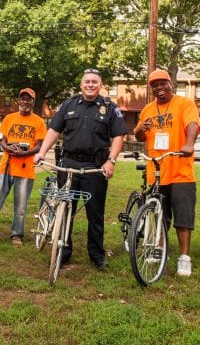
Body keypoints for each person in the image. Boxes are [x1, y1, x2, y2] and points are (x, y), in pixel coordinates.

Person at [35, 68, 127, 270]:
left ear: (101, 85)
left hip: (95, 167)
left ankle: (96, 255)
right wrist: (42, 152)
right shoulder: (68, 104)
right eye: (87, 81)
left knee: (95, 214)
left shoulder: (110, 107)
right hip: (68, 164)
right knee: (65, 208)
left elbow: (119, 135)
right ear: (81, 84)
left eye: (95, 82)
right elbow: (54, 130)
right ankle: (63, 251)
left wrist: (111, 160)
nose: (91, 85)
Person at [132, 69, 199, 277]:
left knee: (183, 217)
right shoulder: (148, 109)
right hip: (157, 170)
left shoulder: (184, 103)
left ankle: (184, 258)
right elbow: (140, 136)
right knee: (159, 214)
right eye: (155, 85)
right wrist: (139, 129)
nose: (159, 88)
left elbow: (193, 125)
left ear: (171, 84)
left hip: (181, 171)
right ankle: (160, 249)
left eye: (163, 83)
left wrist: (188, 144)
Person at [0, 88, 47, 246]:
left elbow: (39, 146)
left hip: (25, 169)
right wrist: (8, 148)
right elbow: (4, 141)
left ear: (33, 102)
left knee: (20, 206)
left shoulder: (39, 122)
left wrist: (25, 152)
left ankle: (16, 235)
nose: (25, 102)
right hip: (6, 166)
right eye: (23, 99)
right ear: (18, 101)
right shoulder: (9, 118)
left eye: (29, 99)